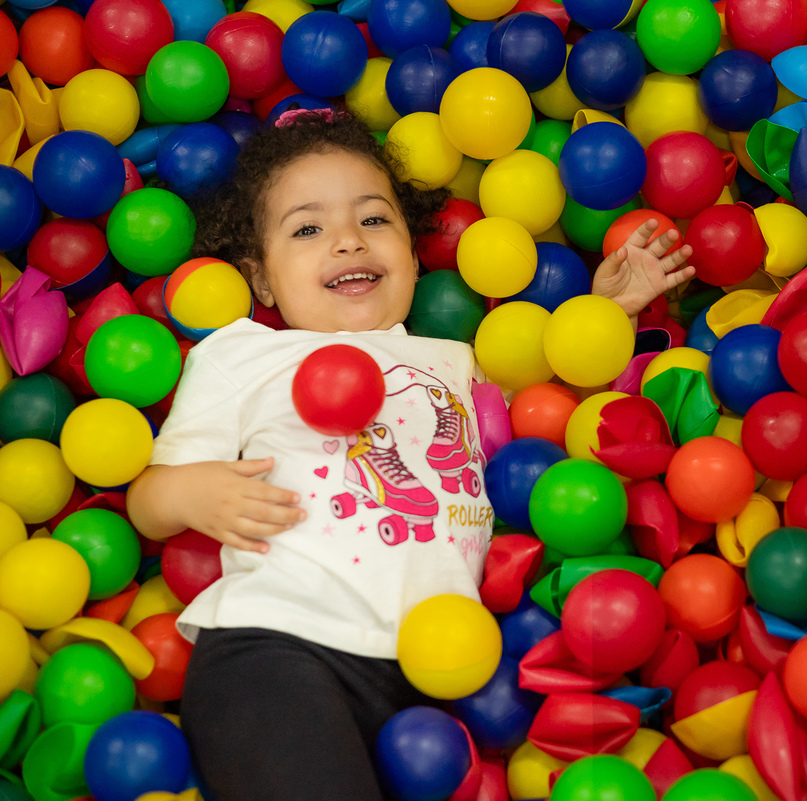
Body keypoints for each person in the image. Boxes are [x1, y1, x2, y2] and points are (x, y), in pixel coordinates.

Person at [125, 108, 694, 801]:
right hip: (278, 645)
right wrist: (191, 494)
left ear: (416, 253)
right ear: (263, 279)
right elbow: (148, 500)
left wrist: (609, 310)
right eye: (307, 228)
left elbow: (550, 415)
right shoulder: (246, 353)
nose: (346, 241)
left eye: (374, 220)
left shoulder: (455, 360)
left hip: (441, 677)